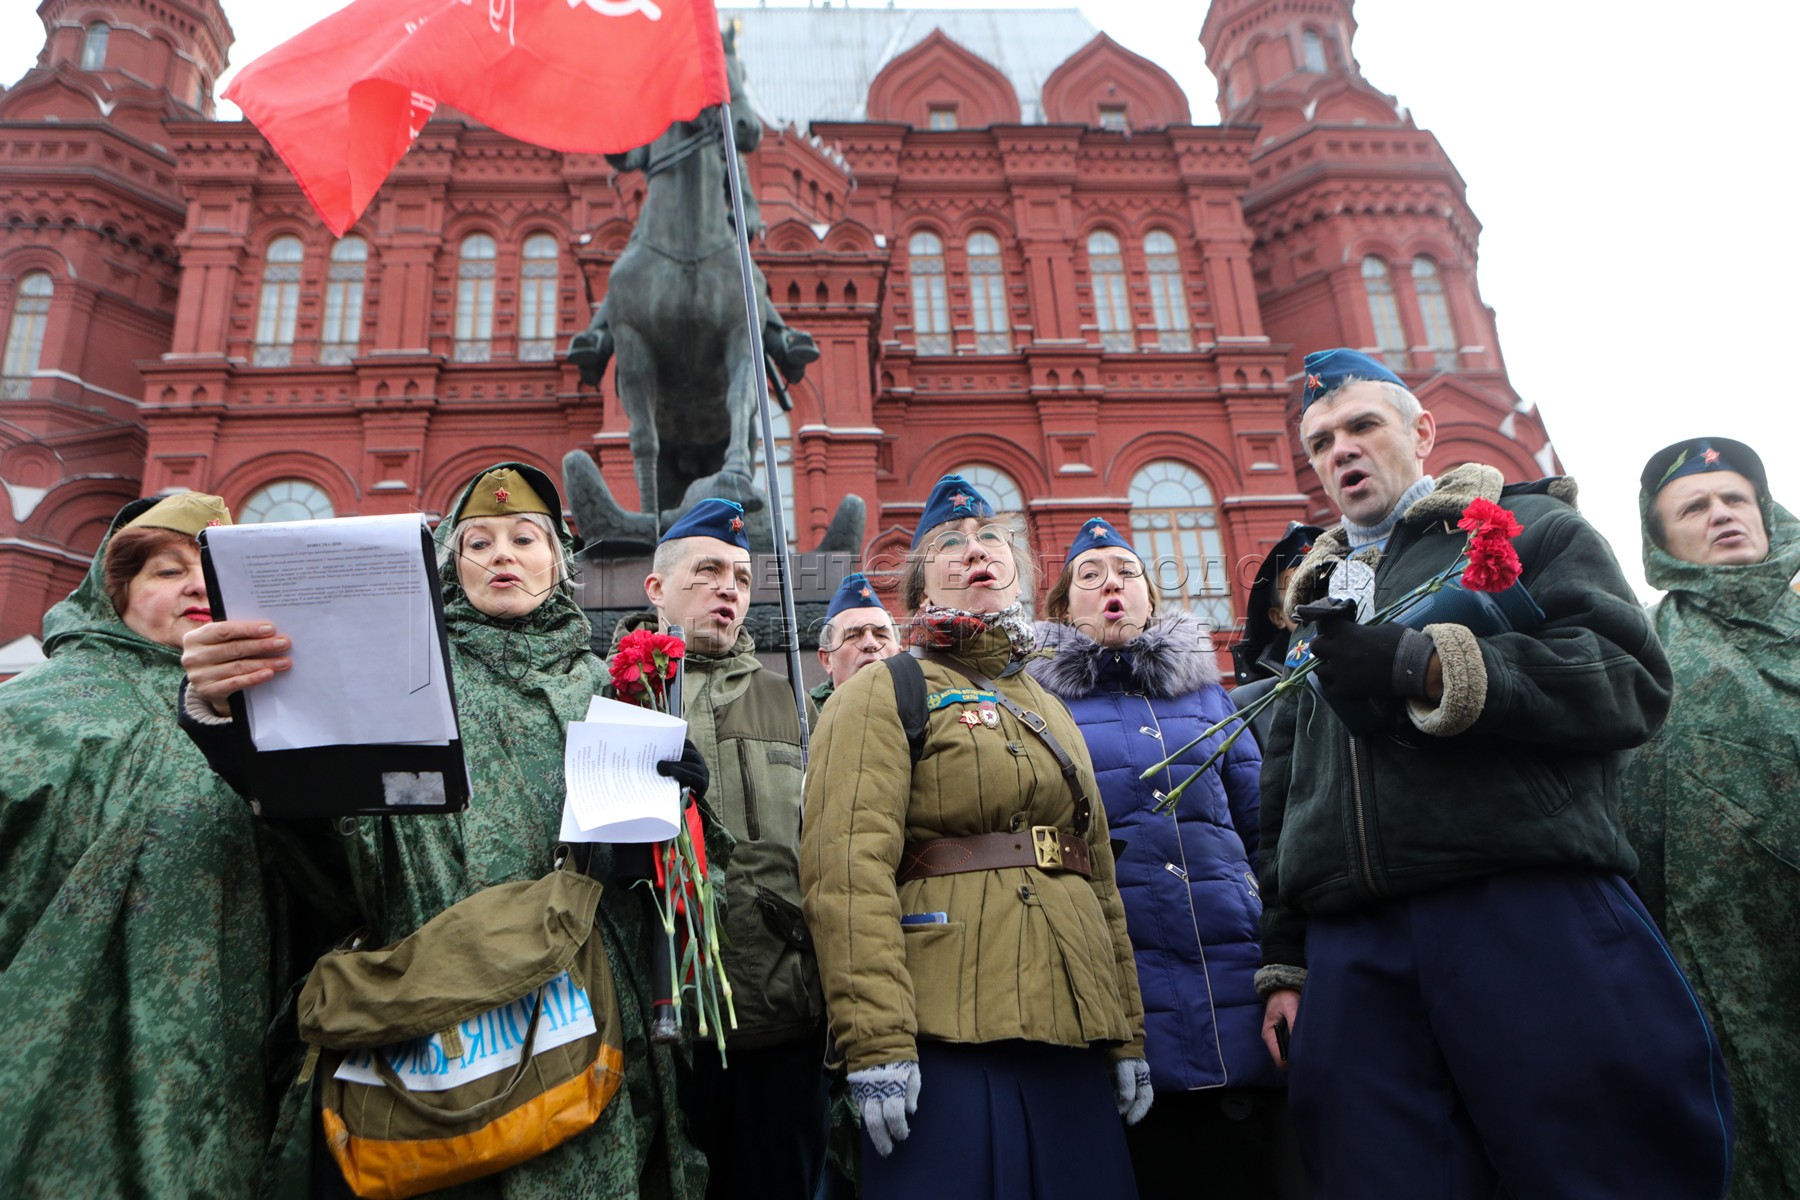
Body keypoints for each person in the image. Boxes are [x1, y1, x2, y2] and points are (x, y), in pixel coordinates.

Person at [1256, 349, 1734, 1199]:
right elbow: (1287, 788)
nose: (1341, 450)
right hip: (1355, 950)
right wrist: (1287, 961)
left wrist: (1425, 664)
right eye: (1321, 441)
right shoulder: (1315, 600)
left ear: (1422, 432)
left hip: (1521, 908)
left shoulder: (1527, 527)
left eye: (1363, 426)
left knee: (1601, 1167)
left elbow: (1628, 680)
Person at [179, 464, 707, 1199]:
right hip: (431, 1008)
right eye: (478, 542)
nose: (502, 555)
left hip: (580, 1017)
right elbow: (320, 828)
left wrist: (676, 810)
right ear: (451, 567)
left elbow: (662, 889)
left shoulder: (611, 690)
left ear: (558, 562)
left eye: (525, 539)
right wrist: (220, 723)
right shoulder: (403, 673)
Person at [800, 474, 1147, 1199]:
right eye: (948, 546)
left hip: (1075, 1029)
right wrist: (876, 1040)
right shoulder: (882, 690)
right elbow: (847, 873)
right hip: (944, 1034)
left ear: (1018, 570)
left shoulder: (1050, 704)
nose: (975, 550)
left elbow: (1099, 878)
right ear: (921, 588)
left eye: (990, 538)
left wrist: (1127, 1034)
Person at [0, 493, 278, 1197]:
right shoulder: (31, 711)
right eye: (168, 570)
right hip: (43, 1053)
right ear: (114, 590)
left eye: (217, 574)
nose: (197, 588)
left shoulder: (277, 724)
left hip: (221, 1065)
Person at [1030, 516, 1294, 1198]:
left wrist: (1287, 966)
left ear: (1151, 598)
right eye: (1089, 576)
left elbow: (1266, 834)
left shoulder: (1207, 699)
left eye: (1127, 572)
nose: (1110, 584)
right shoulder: (1040, 708)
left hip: (1237, 980)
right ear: (1062, 608)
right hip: (1121, 996)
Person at [621, 497, 830, 1200]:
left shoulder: (792, 703)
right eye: (708, 571)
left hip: (780, 1024)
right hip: (653, 1029)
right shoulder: (615, 697)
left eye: (741, 577)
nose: (729, 590)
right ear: (657, 588)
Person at [1624, 437, 1800, 1198]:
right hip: (1722, 971)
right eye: (1694, 506)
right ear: (1663, 542)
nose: (1722, 513)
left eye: (1735, 498)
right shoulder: (1644, 651)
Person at [1231, 523, 1323, 739]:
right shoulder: (1250, 704)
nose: (1318, 602)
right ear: (1278, 617)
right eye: (1300, 593)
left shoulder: (1383, 667)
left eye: (1325, 587)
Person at [809, 571, 900, 709]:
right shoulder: (801, 716)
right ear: (827, 659)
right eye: (853, 636)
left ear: (899, 655)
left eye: (881, 635)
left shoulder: (927, 712)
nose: (870, 644)